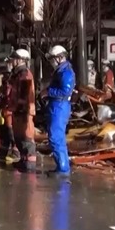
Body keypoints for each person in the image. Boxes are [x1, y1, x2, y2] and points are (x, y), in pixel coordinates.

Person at [46, 45, 76, 175]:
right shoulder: (60, 71)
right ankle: (62, 167)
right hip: (57, 105)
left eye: (53, 58)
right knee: (57, 137)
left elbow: (65, 91)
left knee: (55, 138)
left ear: (59, 58)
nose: (51, 61)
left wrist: (48, 91)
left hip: (60, 106)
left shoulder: (65, 72)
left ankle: (63, 169)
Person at [9, 49, 38, 171]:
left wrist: (20, 108)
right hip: (18, 110)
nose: (12, 61)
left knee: (26, 136)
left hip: (24, 111)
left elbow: (25, 95)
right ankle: (23, 159)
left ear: (21, 60)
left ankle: (30, 163)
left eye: (14, 59)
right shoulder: (17, 74)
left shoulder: (24, 74)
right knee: (19, 136)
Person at [0, 58, 15, 159]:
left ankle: (15, 152)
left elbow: (10, 96)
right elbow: (0, 94)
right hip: (3, 110)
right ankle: (3, 150)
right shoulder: (4, 85)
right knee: (2, 131)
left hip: (10, 111)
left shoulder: (13, 83)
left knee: (11, 132)